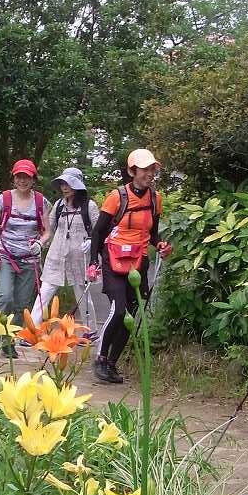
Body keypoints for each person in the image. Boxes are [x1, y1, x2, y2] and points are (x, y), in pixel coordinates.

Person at [87, 149, 171, 384]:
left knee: (131, 315)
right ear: (132, 171)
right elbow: (98, 232)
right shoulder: (117, 196)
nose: (149, 174)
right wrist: (93, 262)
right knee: (119, 310)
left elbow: (152, 234)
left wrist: (161, 244)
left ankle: (112, 363)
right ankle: (100, 359)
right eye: (144, 169)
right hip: (113, 260)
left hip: (139, 262)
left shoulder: (155, 199)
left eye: (152, 169)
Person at [0, 159, 49, 357]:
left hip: (29, 261)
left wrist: (40, 243)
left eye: (27, 177)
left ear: (33, 179)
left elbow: (47, 231)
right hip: (5, 258)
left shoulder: (41, 202)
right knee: (4, 296)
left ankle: (8, 340)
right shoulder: (4, 199)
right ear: (14, 178)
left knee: (22, 304)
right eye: (19, 176)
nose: (22, 180)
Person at [29, 167, 99, 338]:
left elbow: (99, 231)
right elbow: (49, 230)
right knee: (44, 293)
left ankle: (91, 331)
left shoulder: (89, 206)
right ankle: (31, 330)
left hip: (80, 257)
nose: (64, 187)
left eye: (68, 184)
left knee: (82, 294)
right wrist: (40, 243)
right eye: (62, 183)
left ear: (78, 185)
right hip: (56, 256)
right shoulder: (59, 205)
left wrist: (91, 241)